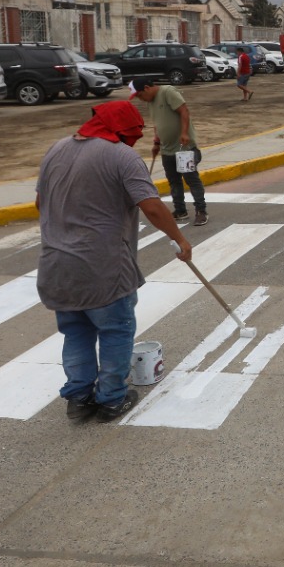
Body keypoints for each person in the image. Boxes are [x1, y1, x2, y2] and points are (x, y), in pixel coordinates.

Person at [35, 99, 191, 423]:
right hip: (103, 267)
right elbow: (151, 206)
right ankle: (111, 400)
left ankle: (79, 399)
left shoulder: (56, 149)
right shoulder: (121, 156)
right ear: (123, 130)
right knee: (115, 331)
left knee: (76, 332)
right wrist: (179, 238)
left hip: (57, 265)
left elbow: (40, 202)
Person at [131, 77, 208, 226]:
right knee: (174, 181)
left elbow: (184, 111)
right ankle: (180, 210)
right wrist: (156, 143)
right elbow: (158, 124)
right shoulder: (150, 102)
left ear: (147, 88)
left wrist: (184, 133)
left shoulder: (168, 92)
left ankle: (201, 211)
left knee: (191, 180)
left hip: (184, 148)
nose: (141, 99)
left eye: (140, 95)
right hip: (167, 149)